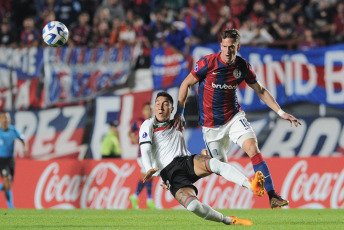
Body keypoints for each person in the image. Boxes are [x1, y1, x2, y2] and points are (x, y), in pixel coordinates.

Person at [173, 28, 301, 209]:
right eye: (224, 47)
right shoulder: (207, 63)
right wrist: (180, 112)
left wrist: (281, 112)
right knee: (220, 167)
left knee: (252, 148)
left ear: (237, 47)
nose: (227, 51)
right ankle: (201, 159)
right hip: (211, 127)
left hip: (233, 117)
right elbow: (186, 83)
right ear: (220, 46)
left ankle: (272, 195)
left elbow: (261, 90)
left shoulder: (242, 66)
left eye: (231, 47)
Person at [140, 92, 265, 226]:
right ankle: (229, 220)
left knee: (215, 164)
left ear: (171, 109)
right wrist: (149, 169)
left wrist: (180, 114)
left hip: (186, 161)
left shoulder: (178, 121)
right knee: (194, 206)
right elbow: (146, 149)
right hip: (171, 173)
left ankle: (252, 186)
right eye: (157, 104)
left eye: (165, 104)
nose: (160, 108)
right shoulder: (148, 125)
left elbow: (184, 98)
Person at [128, 102, 156, 209]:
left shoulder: (155, 122)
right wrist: (133, 138)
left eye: (150, 109)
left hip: (152, 153)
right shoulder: (139, 122)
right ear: (143, 111)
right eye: (147, 109)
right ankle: (149, 200)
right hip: (142, 154)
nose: (149, 111)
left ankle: (135, 196)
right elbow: (130, 132)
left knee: (148, 176)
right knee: (149, 174)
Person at [0, 112, 27, 209]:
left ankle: (10, 206)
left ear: (9, 120)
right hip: (1, 160)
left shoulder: (13, 130)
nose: (5, 120)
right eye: (3, 118)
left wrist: (24, 148)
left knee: (9, 185)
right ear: (0, 120)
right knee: (6, 182)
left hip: (11, 160)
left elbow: (22, 139)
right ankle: (11, 207)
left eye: (6, 118)